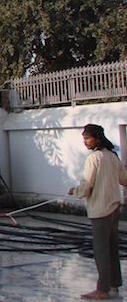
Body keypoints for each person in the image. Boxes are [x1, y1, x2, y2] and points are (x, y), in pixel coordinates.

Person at [68, 124, 127, 300]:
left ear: (97, 138)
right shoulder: (112, 156)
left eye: (87, 138)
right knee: (112, 247)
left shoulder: (93, 158)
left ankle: (102, 289)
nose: (85, 142)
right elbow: (124, 178)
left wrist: (75, 191)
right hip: (115, 208)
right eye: (84, 138)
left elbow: (87, 186)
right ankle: (114, 283)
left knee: (101, 249)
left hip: (100, 210)